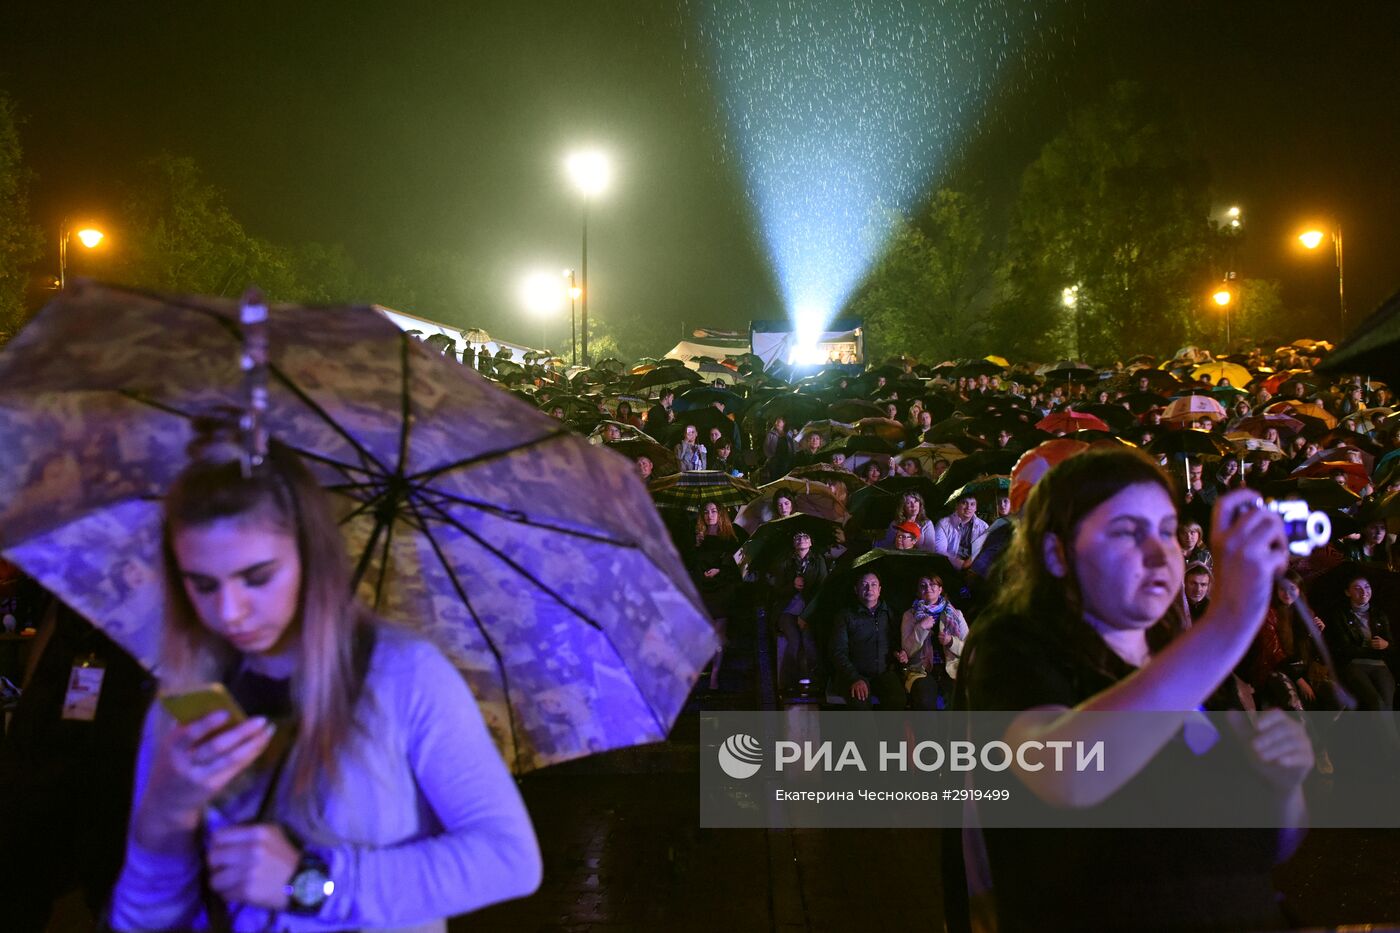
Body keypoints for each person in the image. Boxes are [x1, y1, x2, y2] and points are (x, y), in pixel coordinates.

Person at [107, 431, 541, 931]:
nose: (229, 612)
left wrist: (310, 881)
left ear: (311, 558)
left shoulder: (405, 676)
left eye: (257, 577)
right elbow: (142, 919)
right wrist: (164, 817)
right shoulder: (186, 700)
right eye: (203, 585)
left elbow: (509, 859)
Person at [957, 446, 1309, 932]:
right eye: (1127, 532)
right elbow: (1067, 774)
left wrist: (1284, 785)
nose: (1158, 552)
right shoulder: (1013, 648)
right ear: (1057, 554)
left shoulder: (1188, 658)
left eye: (1167, 531)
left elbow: (1270, 844)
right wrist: (1230, 620)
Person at [828, 572, 905, 710]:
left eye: (873, 584)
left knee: (898, 699)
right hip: (855, 674)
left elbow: (896, 642)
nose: (869, 589)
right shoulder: (845, 616)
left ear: (880, 590)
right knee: (860, 702)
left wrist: (900, 653)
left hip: (883, 674)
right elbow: (838, 652)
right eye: (864, 585)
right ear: (856, 590)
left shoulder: (890, 613)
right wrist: (854, 678)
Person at [767, 530, 828, 697]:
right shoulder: (785, 561)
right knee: (793, 641)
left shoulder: (818, 561)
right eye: (797, 537)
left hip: (809, 610)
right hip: (788, 609)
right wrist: (792, 586)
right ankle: (788, 683)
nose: (801, 540)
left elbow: (823, 589)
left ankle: (812, 680)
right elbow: (777, 589)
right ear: (793, 544)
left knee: (808, 640)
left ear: (811, 542)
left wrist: (806, 615)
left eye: (805, 537)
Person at [1324, 572, 1395, 712]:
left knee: (1388, 706)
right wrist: (1374, 650)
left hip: (1380, 665)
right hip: (1355, 665)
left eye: (1367, 587)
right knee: (1376, 703)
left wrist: (1386, 645)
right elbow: (1346, 648)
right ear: (1347, 592)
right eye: (1357, 588)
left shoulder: (1379, 614)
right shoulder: (1340, 615)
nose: (1364, 592)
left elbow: (1391, 645)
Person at [897, 575, 968, 711]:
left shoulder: (955, 614)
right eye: (923, 586)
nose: (928, 588)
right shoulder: (910, 615)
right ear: (918, 592)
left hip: (951, 669)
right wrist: (921, 628)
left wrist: (951, 641)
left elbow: (969, 649)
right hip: (921, 670)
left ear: (940, 589)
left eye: (932, 584)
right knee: (924, 700)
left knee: (959, 701)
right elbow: (907, 650)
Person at [932, 494, 989, 571]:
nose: (968, 507)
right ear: (956, 506)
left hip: (973, 567)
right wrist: (959, 564)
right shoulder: (943, 523)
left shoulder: (983, 526)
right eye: (964, 503)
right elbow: (939, 550)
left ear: (976, 508)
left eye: (972, 504)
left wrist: (969, 564)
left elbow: (985, 550)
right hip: (948, 565)